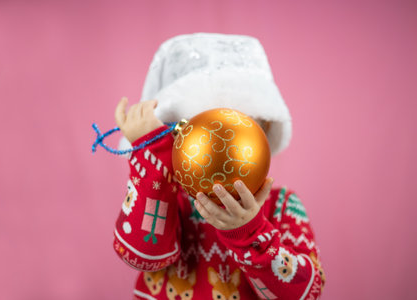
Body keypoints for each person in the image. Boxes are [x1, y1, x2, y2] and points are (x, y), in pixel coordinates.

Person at [112, 33, 325, 299]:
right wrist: (153, 155)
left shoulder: (283, 205)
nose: (216, 150)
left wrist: (249, 232)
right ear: (175, 135)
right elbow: (141, 255)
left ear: (263, 130)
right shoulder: (166, 195)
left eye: (232, 130)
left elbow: (306, 292)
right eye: (201, 135)